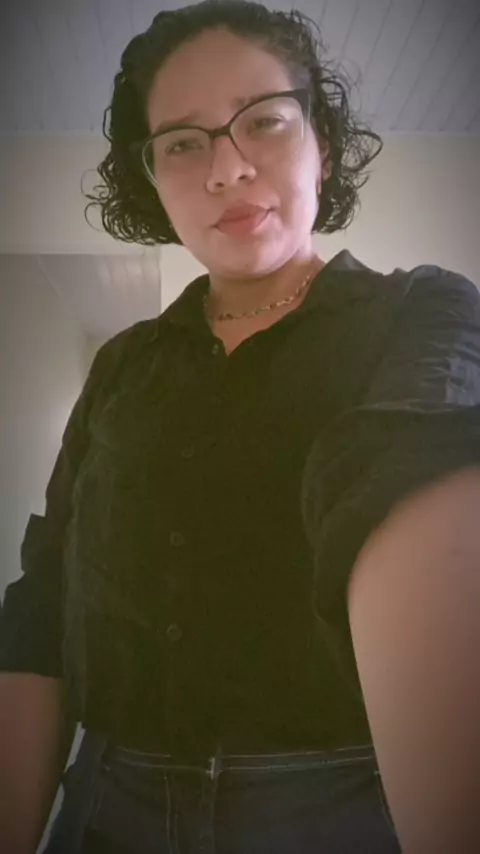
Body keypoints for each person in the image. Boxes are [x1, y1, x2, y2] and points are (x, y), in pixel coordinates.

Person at [1, 1, 479, 852]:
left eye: (263, 121)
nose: (226, 169)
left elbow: (413, 501)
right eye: (183, 143)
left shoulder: (423, 312)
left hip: (340, 812)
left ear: (320, 141)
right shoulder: (121, 367)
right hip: (105, 806)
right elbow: (45, 604)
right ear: (153, 178)